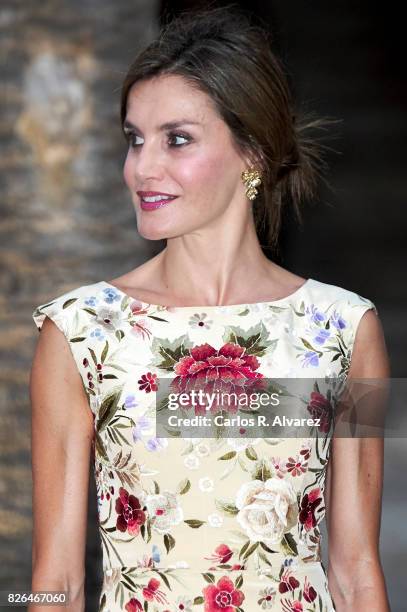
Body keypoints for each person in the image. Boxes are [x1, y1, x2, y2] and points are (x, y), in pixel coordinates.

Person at [30, 5, 391, 611]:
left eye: (177, 139)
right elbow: (52, 584)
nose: (143, 167)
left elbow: (356, 572)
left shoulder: (346, 330)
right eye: (135, 140)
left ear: (251, 153)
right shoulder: (81, 333)